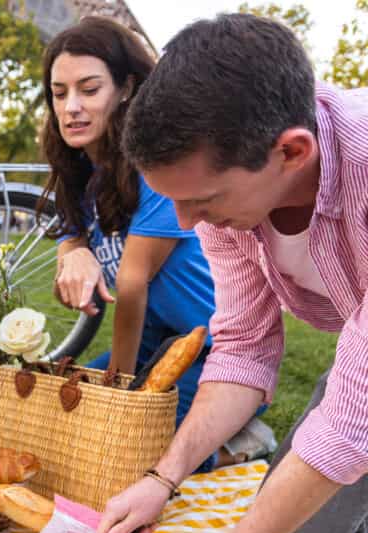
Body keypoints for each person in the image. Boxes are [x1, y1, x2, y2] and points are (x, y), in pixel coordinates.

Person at [98, 13, 368, 533]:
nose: (188, 225)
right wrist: (162, 479)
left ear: (292, 152)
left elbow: (349, 421)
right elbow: (243, 350)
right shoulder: (228, 202)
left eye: (204, 200)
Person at [40, 16, 273, 471]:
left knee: (129, 453)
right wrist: (77, 253)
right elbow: (69, 236)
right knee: (59, 418)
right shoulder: (80, 171)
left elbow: (131, 284)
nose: (71, 107)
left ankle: (241, 442)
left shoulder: (156, 165)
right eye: (59, 92)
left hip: (212, 346)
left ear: (126, 88)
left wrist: (120, 390)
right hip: (153, 338)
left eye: (89, 90)